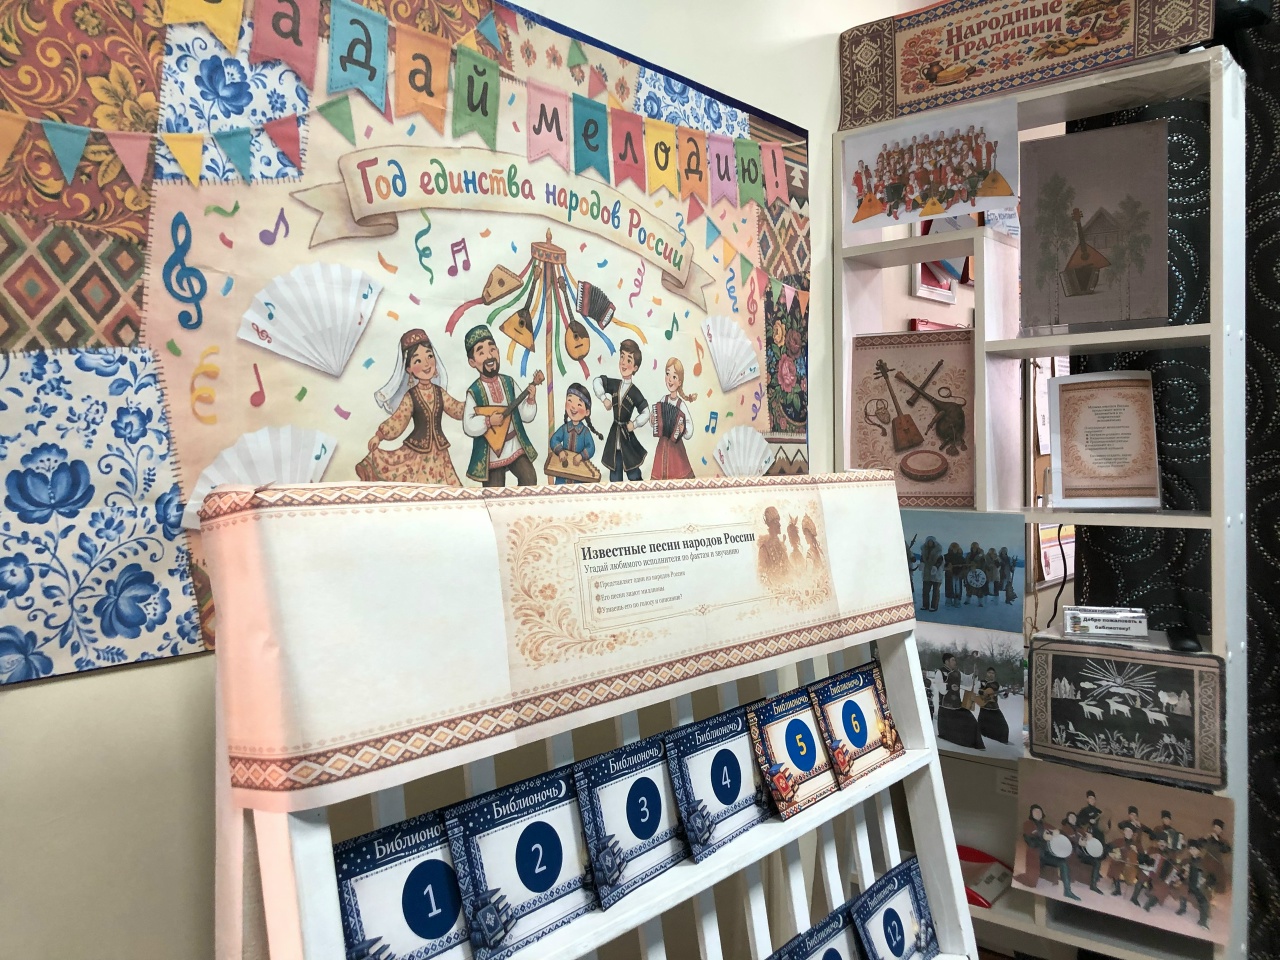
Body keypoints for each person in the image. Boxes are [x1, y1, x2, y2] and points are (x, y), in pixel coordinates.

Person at [356, 329, 464, 485]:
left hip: (440, 454)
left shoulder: (440, 393)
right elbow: (398, 420)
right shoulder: (411, 396)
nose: (426, 364)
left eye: (429, 356)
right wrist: (379, 435)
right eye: (418, 361)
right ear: (409, 369)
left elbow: (456, 409)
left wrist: (474, 404)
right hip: (417, 454)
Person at [460, 325, 542, 486]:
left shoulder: (509, 382)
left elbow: (525, 416)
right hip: (491, 452)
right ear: (472, 362)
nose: (489, 356)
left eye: (492, 349)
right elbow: (468, 425)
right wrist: (488, 421)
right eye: (481, 353)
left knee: (529, 478)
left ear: (498, 351)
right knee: (494, 490)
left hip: (514, 446)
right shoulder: (474, 391)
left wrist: (531, 399)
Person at [593, 339, 649, 481]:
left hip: (627, 438)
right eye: (622, 357)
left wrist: (634, 424)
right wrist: (603, 398)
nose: (623, 363)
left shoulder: (635, 392)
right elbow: (597, 381)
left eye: (628, 360)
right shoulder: (614, 384)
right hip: (614, 438)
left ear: (635, 367)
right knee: (615, 475)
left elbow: (646, 412)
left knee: (634, 474)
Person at [1016, 805, 1080, 900]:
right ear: (1031, 813)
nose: (1038, 813)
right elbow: (1031, 842)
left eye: (1039, 811)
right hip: (1036, 856)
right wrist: (1043, 838)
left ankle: (1067, 891)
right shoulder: (1028, 824)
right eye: (1035, 811)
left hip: (1046, 856)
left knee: (1063, 863)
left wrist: (1057, 831)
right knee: (1031, 880)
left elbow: (1059, 831)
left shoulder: (1046, 824)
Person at [649, 357, 697, 480]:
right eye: (667, 374)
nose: (670, 379)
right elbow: (656, 417)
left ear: (679, 382)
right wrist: (653, 420)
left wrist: (683, 429)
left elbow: (689, 428)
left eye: (674, 377)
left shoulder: (681, 405)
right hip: (662, 444)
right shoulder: (663, 400)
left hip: (676, 447)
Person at [547, 383, 602, 484]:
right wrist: (560, 451)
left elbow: (591, 447)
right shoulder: (564, 428)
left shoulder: (585, 432)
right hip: (562, 474)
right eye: (570, 401)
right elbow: (554, 439)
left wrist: (581, 456)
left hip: (579, 475)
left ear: (587, 412)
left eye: (579, 405)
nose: (573, 407)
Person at [936, 653, 985, 750]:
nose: (955, 662)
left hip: (957, 706)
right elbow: (939, 686)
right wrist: (949, 686)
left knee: (972, 721)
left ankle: (973, 743)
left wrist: (974, 675)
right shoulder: (940, 672)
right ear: (946, 661)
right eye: (953, 660)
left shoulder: (958, 673)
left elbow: (967, 681)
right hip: (946, 708)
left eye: (955, 660)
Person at [1062, 810, 1104, 894]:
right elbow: (1066, 840)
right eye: (1070, 817)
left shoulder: (1080, 829)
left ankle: (1093, 885)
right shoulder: (1065, 828)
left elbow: (1086, 839)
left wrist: (1088, 838)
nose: (1073, 818)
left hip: (1081, 854)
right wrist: (1078, 842)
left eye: (1074, 816)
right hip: (1072, 853)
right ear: (1067, 819)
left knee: (1097, 861)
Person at [1134, 831, 1177, 911]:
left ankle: (1148, 905)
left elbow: (1174, 867)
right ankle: (1134, 898)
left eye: (1163, 842)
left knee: (1162, 889)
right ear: (1157, 842)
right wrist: (1149, 857)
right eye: (1160, 841)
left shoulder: (1171, 854)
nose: (1161, 844)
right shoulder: (1152, 849)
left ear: (1167, 844)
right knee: (1142, 875)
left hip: (1162, 878)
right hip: (1151, 874)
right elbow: (1143, 861)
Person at [1177, 839, 1213, 929]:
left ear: (1199, 850)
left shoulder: (1204, 862)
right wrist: (1184, 873)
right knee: (1182, 889)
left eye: (1194, 849)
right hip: (1188, 884)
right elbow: (1179, 874)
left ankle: (1203, 921)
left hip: (1199, 887)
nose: (1192, 850)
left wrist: (1205, 879)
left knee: (1204, 901)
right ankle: (1182, 908)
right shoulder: (1186, 861)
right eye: (1191, 848)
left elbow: (1212, 876)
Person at [1105, 824, 1142, 897]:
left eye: (1130, 831)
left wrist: (1136, 851)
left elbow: (1143, 857)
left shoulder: (1137, 844)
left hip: (1131, 865)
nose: (1128, 832)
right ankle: (1117, 889)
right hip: (1120, 863)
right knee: (1115, 865)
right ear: (1124, 832)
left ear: (1132, 833)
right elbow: (1107, 847)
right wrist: (1111, 854)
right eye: (1126, 830)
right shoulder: (1119, 841)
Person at [757, 507, 791, 586]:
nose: (779, 524)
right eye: (776, 522)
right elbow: (762, 577)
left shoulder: (780, 546)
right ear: (770, 525)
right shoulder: (764, 549)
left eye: (778, 521)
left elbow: (788, 567)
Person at [977, 667, 1009, 743]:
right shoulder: (981, 682)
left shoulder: (997, 684)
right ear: (986, 673)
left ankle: (1001, 741)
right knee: (982, 729)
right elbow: (975, 690)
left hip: (995, 709)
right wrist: (982, 692)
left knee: (1004, 727)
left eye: (993, 673)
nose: (991, 674)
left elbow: (1002, 696)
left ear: (995, 675)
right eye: (989, 673)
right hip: (984, 709)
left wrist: (1006, 693)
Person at [1204, 818, 1232, 892]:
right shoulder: (1208, 838)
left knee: (1217, 880)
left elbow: (1227, 850)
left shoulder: (1223, 841)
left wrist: (1217, 840)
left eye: (1218, 828)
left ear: (1221, 831)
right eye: (1215, 827)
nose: (1216, 830)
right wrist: (1205, 839)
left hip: (1216, 863)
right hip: (1206, 861)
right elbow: (1200, 845)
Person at [918, 535, 943, 612]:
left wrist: (935, 567)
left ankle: (934, 606)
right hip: (927, 573)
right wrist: (922, 564)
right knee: (925, 590)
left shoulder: (938, 552)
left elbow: (940, 561)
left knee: (935, 591)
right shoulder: (924, 552)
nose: (930, 543)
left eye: (931, 542)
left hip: (936, 574)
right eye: (928, 542)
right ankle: (925, 605)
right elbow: (922, 559)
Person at [944, 541, 965, 607]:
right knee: (949, 587)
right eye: (953, 548)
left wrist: (961, 568)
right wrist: (948, 565)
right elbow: (944, 564)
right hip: (949, 574)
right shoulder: (946, 556)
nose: (954, 549)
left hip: (958, 574)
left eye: (956, 548)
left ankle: (957, 600)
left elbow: (964, 565)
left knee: (958, 588)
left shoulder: (961, 557)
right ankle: (948, 600)